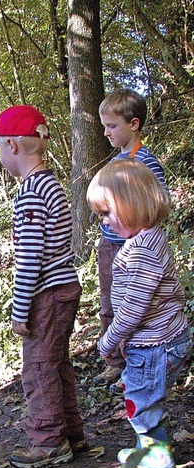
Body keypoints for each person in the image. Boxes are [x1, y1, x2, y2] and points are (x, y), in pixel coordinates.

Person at [0, 105, 85, 468]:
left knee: (38, 367)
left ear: (12, 146)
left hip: (46, 293)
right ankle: (71, 433)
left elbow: (29, 258)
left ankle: (48, 441)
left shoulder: (30, 193)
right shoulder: (51, 185)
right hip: (65, 286)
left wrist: (19, 308)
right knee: (56, 363)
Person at [86, 158, 191, 468]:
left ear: (131, 205)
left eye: (107, 213)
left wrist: (110, 339)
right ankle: (149, 449)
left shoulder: (143, 247)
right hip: (158, 340)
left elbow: (135, 306)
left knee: (141, 400)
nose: (104, 222)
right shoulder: (147, 239)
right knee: (143, 394)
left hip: (155, 344)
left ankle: (157, 461)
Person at [96, 89, 169, 394]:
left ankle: (134, 360)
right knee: (109, 302)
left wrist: (138, 238)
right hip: (109, 244)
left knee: (133, 302)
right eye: (105, 126)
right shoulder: (119, 160)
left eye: (112, 126)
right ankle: (115, 360)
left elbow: (157, 201)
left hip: (130, 247)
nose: (106, 132)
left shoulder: (143, 161)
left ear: (134, 123)